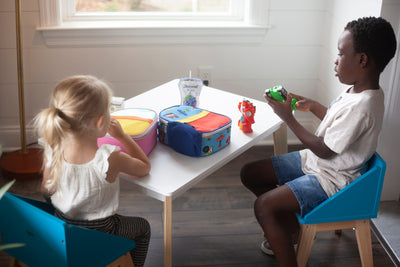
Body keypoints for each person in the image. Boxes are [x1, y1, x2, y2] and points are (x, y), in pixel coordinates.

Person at [240, 17, 397, 267]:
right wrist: (312, 106)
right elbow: (339, 126)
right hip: (316, 163)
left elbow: (324, 149)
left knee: (264, 206)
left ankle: (287, 246)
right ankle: (291, 230)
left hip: (331, 179)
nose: (335, 59)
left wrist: (288, 118)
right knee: (251, 173)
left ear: (362, 60)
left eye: (341, 53)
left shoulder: (364, 105)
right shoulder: (358, 90)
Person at [35, 75, 152, 267]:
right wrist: (122, 136)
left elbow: (46, 190)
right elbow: (144, 167)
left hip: (63, 228)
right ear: (100, 122)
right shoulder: (109, 158)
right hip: (102, 232)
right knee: (143, 228)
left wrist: (70, 199)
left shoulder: (53, 148)